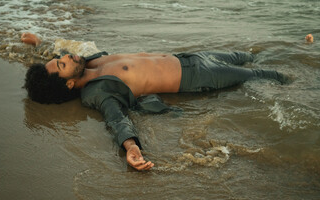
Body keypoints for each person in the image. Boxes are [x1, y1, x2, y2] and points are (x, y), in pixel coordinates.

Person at [23, 33, 289, 171]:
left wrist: (37, 44)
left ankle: (301, 48)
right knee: (265, 74)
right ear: (68, 84)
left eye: (62, 56)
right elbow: (116, 119)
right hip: (196, 76)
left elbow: (57, 58)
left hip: (190, 57)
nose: (67, 56)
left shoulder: (89, 63)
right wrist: (130, 147)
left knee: (250, 54)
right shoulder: (97, 92)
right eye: (62, 62)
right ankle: (307, 83)